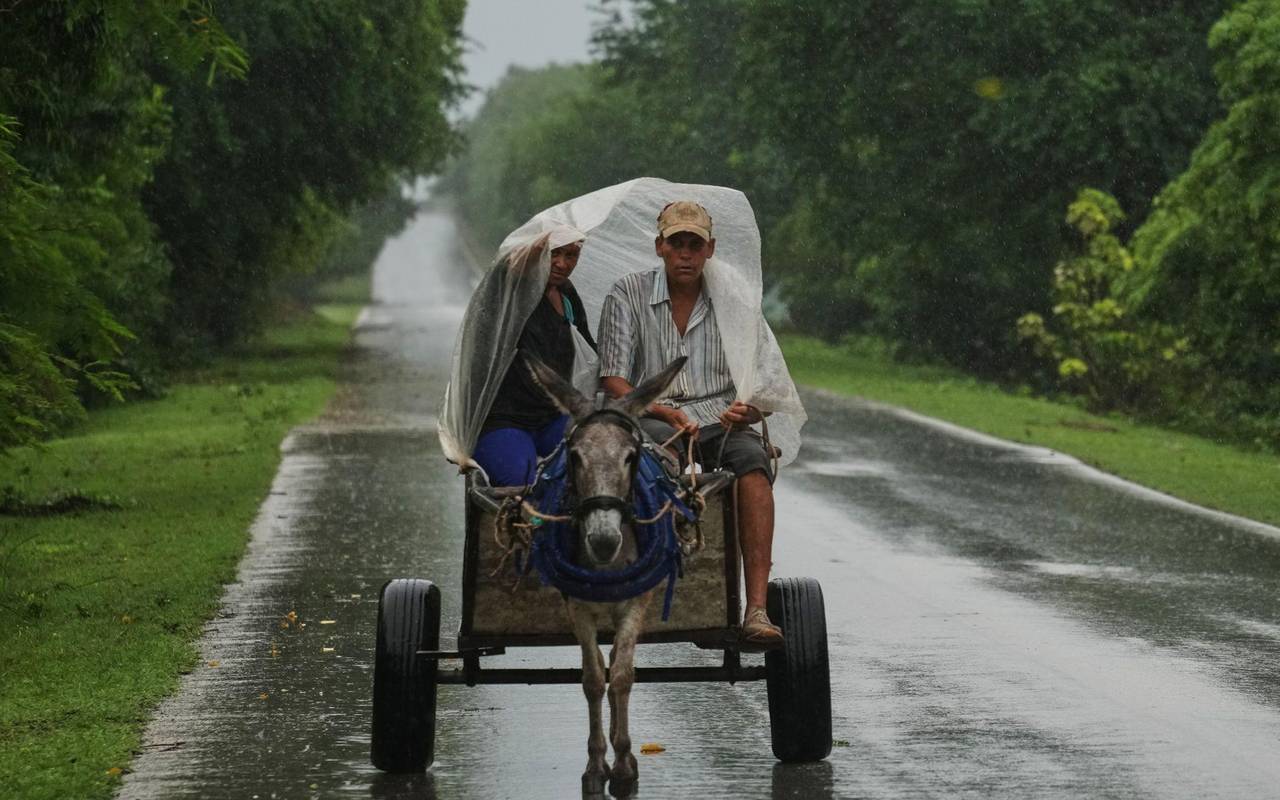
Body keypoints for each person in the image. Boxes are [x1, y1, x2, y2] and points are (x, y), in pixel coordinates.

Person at [596, 200, 784, 649]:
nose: (685, 254)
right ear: (660, 247)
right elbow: (614, 379)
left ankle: (755, 608)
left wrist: (750, 410)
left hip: (721, 420)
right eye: (676, 243)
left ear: (710, 249)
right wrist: (659, 409)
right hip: (653, 418)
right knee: (658, 460)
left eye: (694, 245)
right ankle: (651, 577)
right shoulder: (628, 293)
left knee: (753, 464)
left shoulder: (733, 300)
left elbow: (762, 384)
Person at [472, 229, 596, 486]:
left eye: (571, 255)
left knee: (596, 467)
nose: (562, 264)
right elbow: (505, 269)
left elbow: (591, 352)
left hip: (553, 416)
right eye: (554, 253)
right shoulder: (509, 292)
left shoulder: (567, 295)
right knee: (523, 485)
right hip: (505, 421)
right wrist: (542, 237)